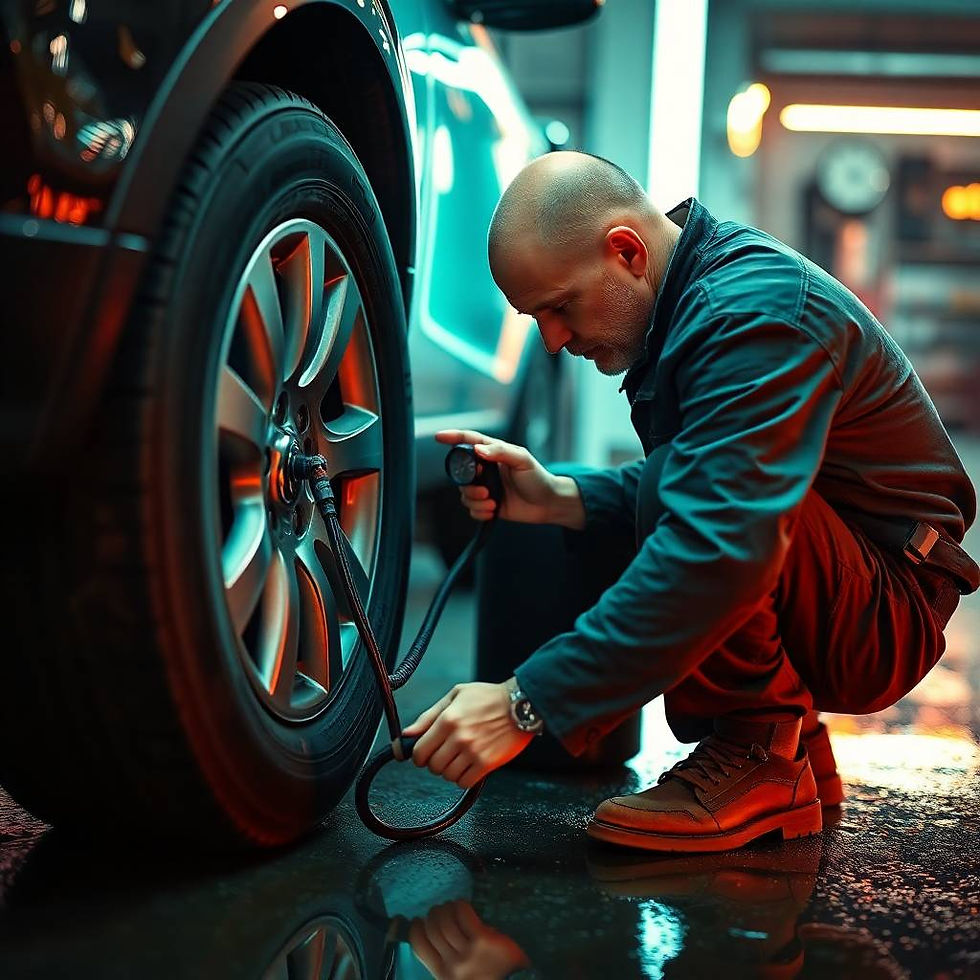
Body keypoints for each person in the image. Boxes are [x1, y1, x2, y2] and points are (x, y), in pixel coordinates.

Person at [396, 151, 979, 852]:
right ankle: (789, 738)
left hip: (888, 611)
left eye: (558, 307)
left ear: (626, 252)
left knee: (700, 508)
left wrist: (526, 703)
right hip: (857, 573)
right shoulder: (694, 301)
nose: (551, 340)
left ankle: (759, 750)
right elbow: (709, 479)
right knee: (680, 482)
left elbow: (719, 545)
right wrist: (559, 498)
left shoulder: (751, 317)